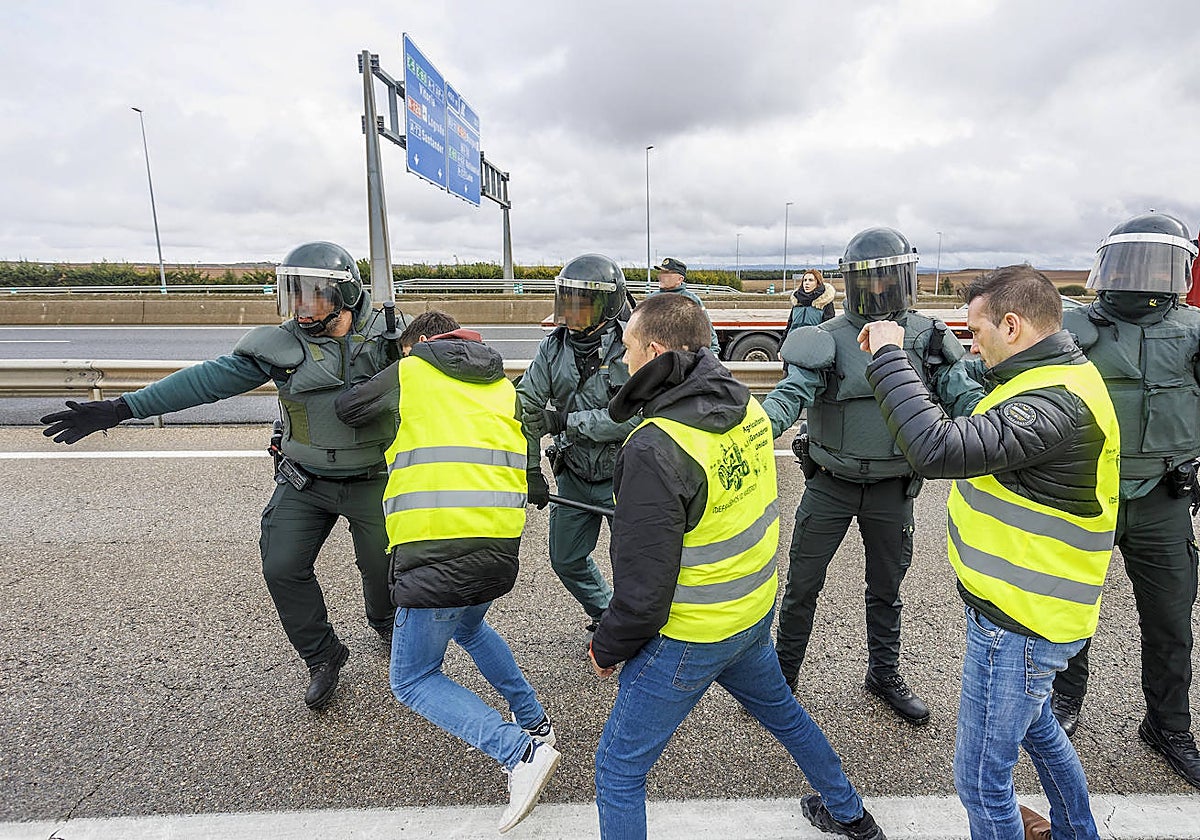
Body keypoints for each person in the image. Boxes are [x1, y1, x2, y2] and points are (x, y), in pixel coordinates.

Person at [41, 241, 398, 711]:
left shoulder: (391, 336)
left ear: (345, 296)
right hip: (305, 482)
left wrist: (406, 363)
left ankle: (384, 620)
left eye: (313, 295)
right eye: (294, 294)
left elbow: (451, 366)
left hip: (373, 476)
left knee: (383, 566)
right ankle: (322, 654)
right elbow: (205, 380)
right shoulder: (282, 346)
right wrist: (119, 408)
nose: (301, 307)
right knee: (282, 566)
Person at [590, 292, 887, 840]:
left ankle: (848, 811)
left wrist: (606, 647)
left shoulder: (656, 445)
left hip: (690, 633)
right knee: (786, 717)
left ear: (654, 351)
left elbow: (643, 590)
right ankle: (851, 815)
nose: (623, 360)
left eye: (629, 348)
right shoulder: (747, 407)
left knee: (617, 772)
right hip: (749, 617)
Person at [860, 264, 1119, 840]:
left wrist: (889, 358)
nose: (972, 348)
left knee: (980, 779)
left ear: (1012, 323)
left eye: (977, 333)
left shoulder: (1055, 403)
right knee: (1041, 730)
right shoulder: (1049, 375)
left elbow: (936, 448)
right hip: (1026, 610)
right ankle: (1079, 833)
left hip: (1021, 622)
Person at [335, 310, 561, 834]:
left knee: (412, 679)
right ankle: (534, 721)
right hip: (498, 545)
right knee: (471, 627)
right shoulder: (501, 384)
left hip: (437, 552)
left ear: (417, 346)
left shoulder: (411, 370)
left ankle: (521, 754)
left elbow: (349, 410)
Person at [760, 227, 983, 725]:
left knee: (887, 588)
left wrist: (1004, 430)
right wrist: (753, 431)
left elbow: (963, 395)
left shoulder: (926, 337)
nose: (880, 291)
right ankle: (783, 678)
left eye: (890, 279)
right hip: (830, 485)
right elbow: (791, 394)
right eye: (870, 281)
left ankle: (883, 674)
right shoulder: (828, 339)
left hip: (892, 489)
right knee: (801, 585)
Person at [1048, 212, 1200, 788]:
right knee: (1068, 611)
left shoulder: (1193, 330)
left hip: (1164, 495)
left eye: (1154, 262)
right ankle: (1064, 701)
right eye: (1129, 261)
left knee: (1170, 619)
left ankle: (1168, 724)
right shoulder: (1067, 329)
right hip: (1087, 493)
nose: (1140, 276)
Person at [517, 253, 639, 631]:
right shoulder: (553, 348)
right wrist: (530, 469)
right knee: (566, 558)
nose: (571, 315)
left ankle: (636, 628)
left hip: (626, 475)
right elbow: (527, 406)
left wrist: (569, 420)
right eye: (566, 304)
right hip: (574, 471)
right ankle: (605, 613)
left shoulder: (631, 348)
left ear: (607, 306)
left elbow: (636, 417)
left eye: (582, 307)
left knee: (635, 565)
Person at [652, 257, 720, 353]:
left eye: (667, 274)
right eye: (661, 273)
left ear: (680, 279)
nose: (661, 276)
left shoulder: (692, 300)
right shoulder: (652, 299)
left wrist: (713, 353)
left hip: (683, 356)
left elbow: (707, 330)